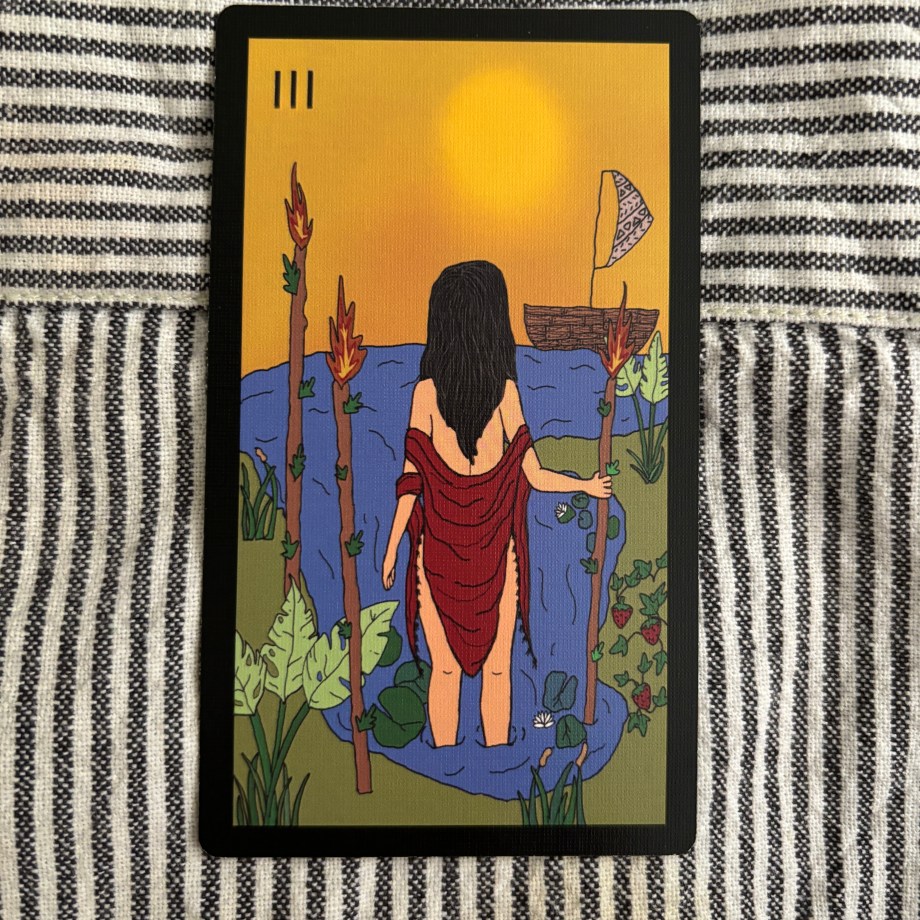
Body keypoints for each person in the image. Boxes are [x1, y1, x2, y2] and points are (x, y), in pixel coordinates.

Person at [381, 261, 611, 748]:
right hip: (492, 552)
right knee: (497, 669)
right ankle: (495, 756)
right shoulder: (505, 393)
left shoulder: (426, 393)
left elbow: (410, 481)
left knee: (445, 670)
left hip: (436, 553)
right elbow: (534, 475)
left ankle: (448, 763)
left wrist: (394, 545)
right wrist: (586, 486)